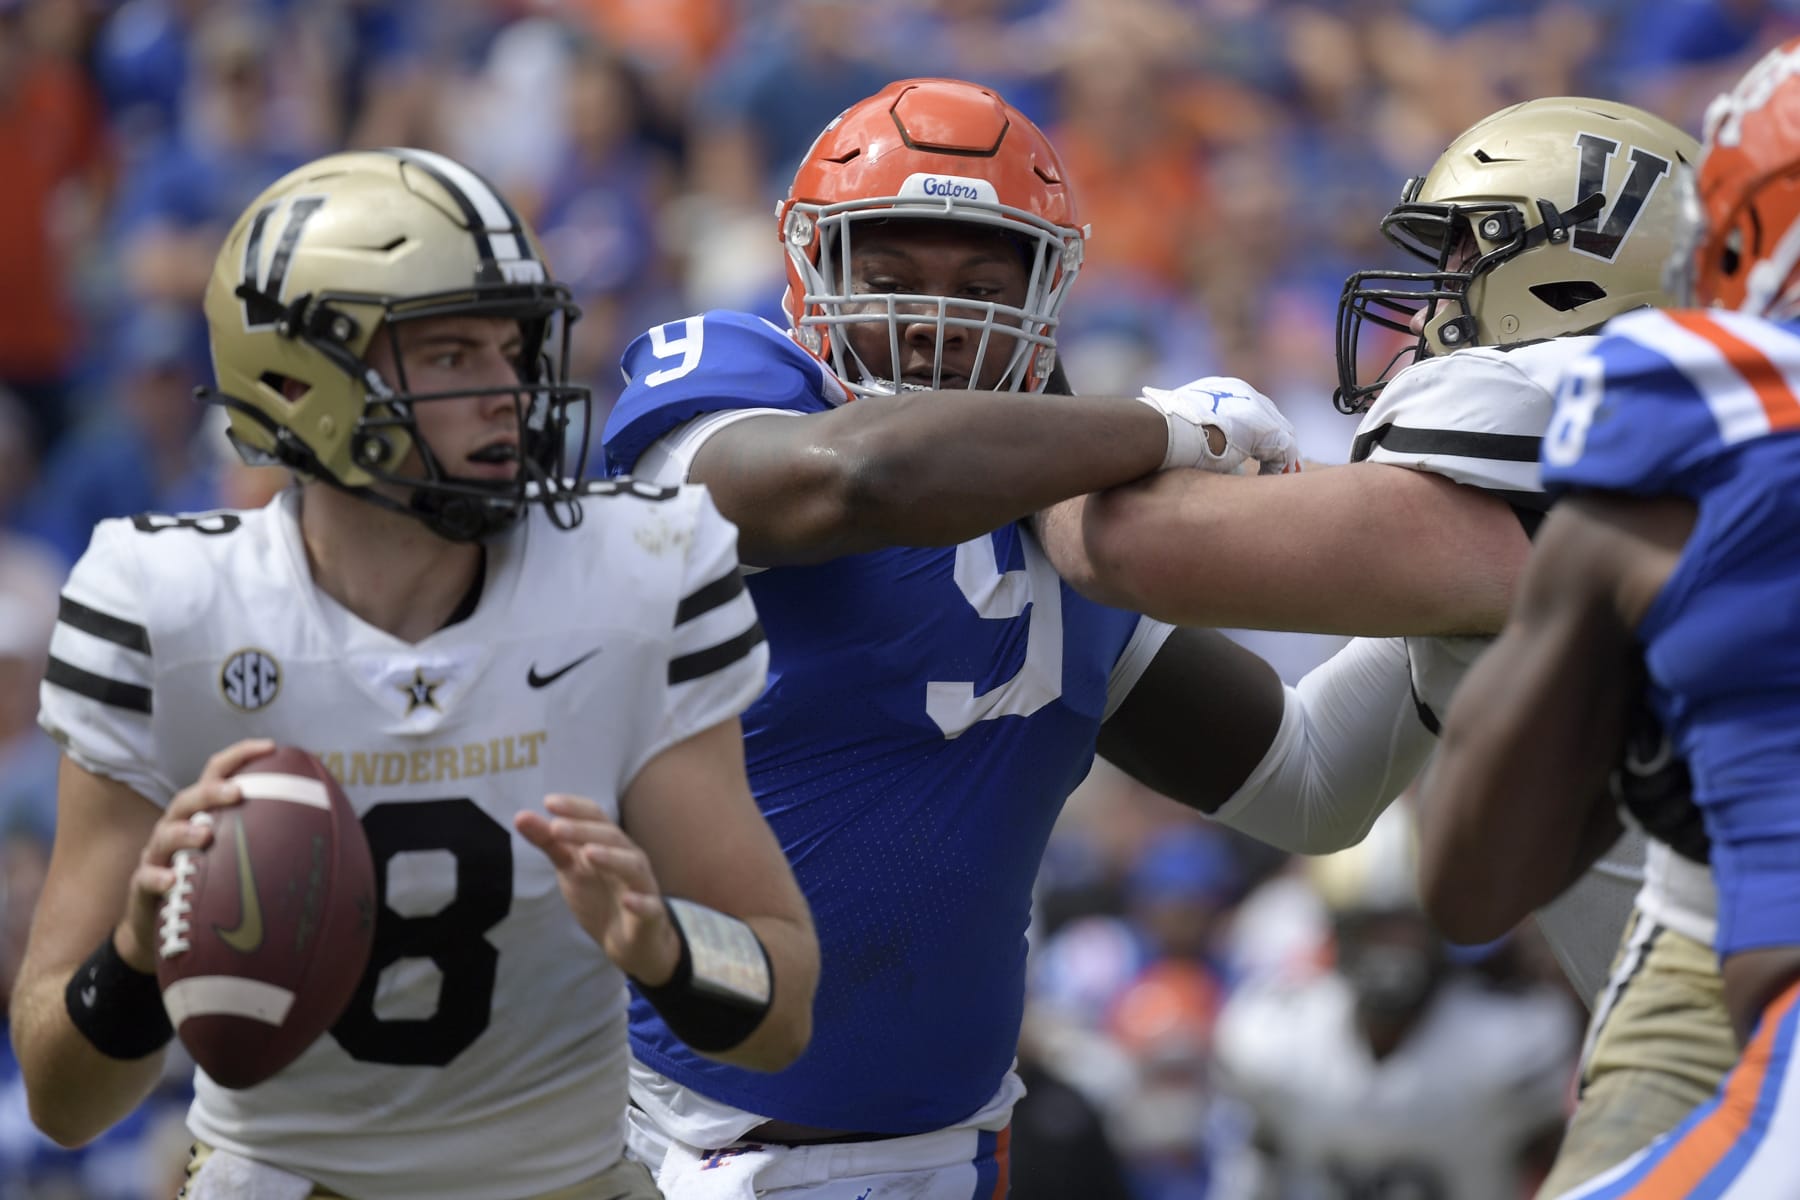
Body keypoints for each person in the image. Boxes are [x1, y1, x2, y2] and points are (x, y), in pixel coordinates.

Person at [601, 76, 1438, 1198]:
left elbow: (1309, 782)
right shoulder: (734, 394)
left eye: (979, 284)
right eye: (889, 278)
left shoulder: (1062, 520)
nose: (934, 319)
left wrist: (1473, 603)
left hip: (949, 1159)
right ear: (810, 268)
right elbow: (859, 477)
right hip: (663, 1147)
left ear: (1047, 291)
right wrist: (1167, 428)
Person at [7, 147, 819, 1200]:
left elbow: (784, 1008)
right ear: (297, 382)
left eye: (513, 345)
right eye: (448, 356)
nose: (508, 391)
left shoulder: (634, 575)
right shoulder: (166, 604)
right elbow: (63, 1101)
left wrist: (665, 947)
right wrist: (135, 952)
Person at [1034, 96, 1724, 1191]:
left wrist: (1068, 434)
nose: (1432, 295)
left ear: (1580, 273)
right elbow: (1308, 779)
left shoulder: (1579, 452)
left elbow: (1133, 544)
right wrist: (1075, 635)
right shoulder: (1596, 493)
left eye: (1465, 251)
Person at [1417, 39, 1800, 1196]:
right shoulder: (1671, 468)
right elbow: (1468, 882)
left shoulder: (1670, 455)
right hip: (1713, 958)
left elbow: (1471, 885)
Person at [1213, 810, 1578, 1200]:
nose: (1389, 953)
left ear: (1437, 932)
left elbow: (1568, 1173)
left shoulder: (1515, 1044)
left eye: (1404, 930)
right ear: (1338, 932)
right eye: (1372, 928)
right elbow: (1254, 1172)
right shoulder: (1276, 1037)